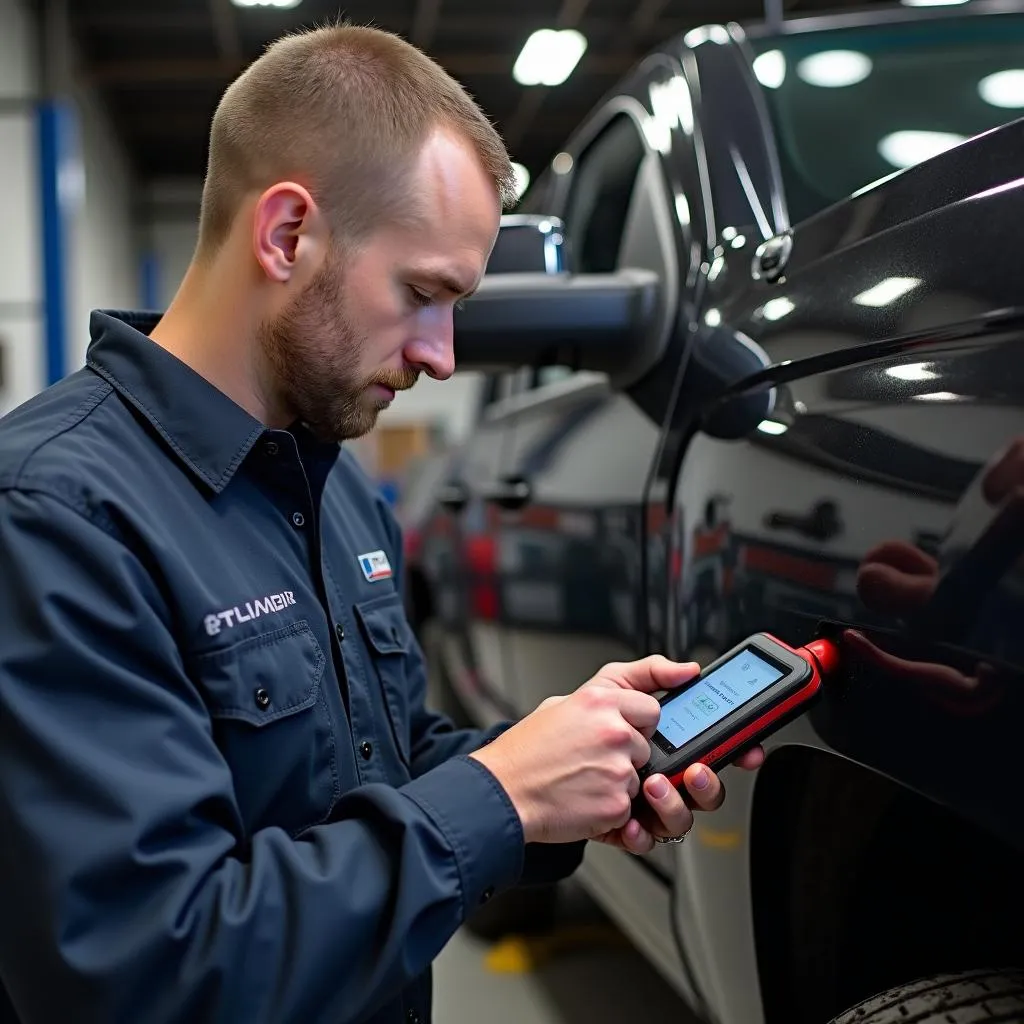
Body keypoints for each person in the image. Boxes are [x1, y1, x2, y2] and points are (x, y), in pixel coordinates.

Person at [0, 23, 763, 1024]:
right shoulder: (56, 518)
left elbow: (376, 775)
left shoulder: (335, 484)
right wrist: (498, 795)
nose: (444, 356)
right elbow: (148, 967)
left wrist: (564, 763)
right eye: (423, 294)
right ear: (285, 235)